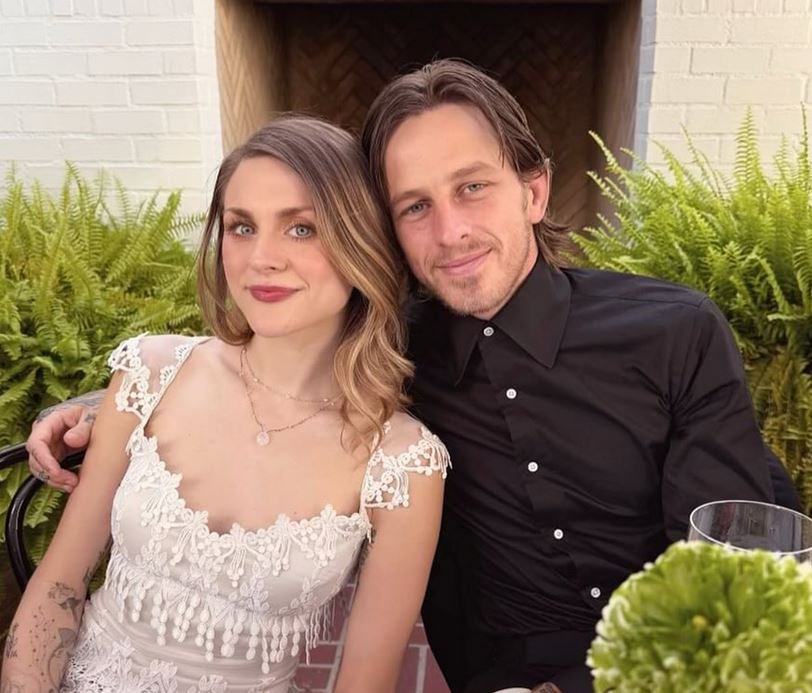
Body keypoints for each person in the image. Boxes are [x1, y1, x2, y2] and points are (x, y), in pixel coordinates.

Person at [26, 61, 798, 693]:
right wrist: (104, 405)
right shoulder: (394, 346)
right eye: (414, 206)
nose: (451, 231)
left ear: (533, 190)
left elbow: (731, 571)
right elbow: (263, 358)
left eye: (472, 187)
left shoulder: (674, 332)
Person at [5, 115, 449, 693]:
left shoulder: (403, 463)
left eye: (301, 229)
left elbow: (364, 683)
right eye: (242, 227)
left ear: (361, 244)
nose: (261, 257)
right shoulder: (150, 373)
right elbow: (59, 585)